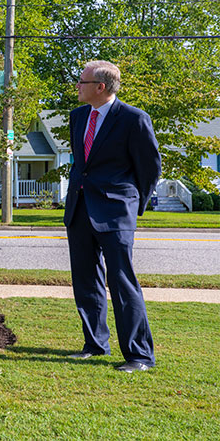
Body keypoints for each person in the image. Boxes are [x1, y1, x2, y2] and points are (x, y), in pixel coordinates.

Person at [64, 60, 161, 373]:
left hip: (116, 212)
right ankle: (95, 344)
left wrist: (133, 205)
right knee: (85, 281)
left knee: (121, 282)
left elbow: (149, 169)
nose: (77, 86)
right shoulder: (78, 117)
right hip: (79, 209)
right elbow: (82, 165)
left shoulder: (134, 119)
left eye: (82, 81)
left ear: (100, 87)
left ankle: (139, 355)